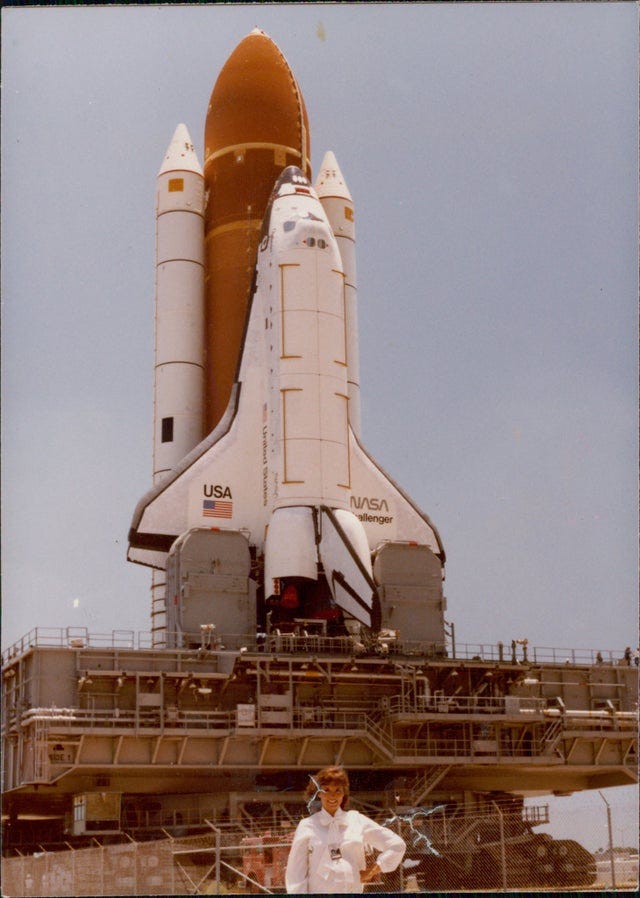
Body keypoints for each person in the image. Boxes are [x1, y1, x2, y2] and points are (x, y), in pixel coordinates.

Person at [285, 766, 406, 894]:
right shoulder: (307, 825)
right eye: (326, 790)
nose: (332, 795)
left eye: (338, 790)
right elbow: (296, 872)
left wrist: (374, 870)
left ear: (344, 794)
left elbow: (396, 845)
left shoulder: (357, 820)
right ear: (319, 793)